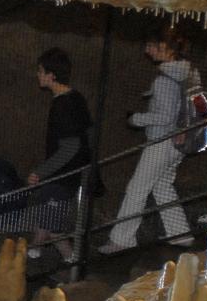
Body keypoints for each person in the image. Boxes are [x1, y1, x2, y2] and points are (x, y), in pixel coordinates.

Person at [99, 28, 198, 254]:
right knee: (163, 186)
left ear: (164, 48)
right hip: (179, 142)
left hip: (161, 141)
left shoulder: (166, 78)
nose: (147, 51)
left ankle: (122, 240)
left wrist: (136, 118)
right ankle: (180, 235)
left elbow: (165, 116)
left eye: (151, 46)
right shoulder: (189, 73)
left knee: (136, 188)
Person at [27, 48, 94, 262]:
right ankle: (33, 250)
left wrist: (40, 171)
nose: (38, 75)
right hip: (68, 172)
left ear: (51, 75)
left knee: (54, 227)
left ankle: (73, 263)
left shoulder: (63, 106)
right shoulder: (75, 98)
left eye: (40, 71)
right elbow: (88, 132)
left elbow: (69, 147)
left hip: (63, 175)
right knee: (44, 215)